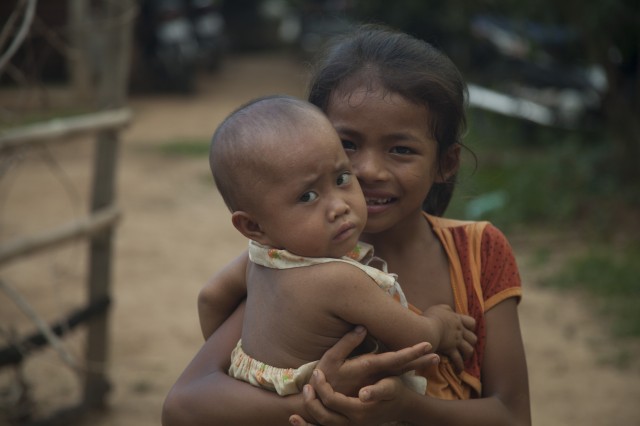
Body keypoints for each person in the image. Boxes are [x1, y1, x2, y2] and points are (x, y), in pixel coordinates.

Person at [163, 24, 530, 426]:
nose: (368, 171)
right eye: (348, 145)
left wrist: (407, 408)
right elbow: (185, 405)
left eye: (401, 149)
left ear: (445, 163)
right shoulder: (294, 262)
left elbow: (513, 415)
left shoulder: (478, 254)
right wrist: (311, 403)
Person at [207, 94, 476, 398]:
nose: (339, 206)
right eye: (307, 197)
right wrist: (440, 324)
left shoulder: (258, 257)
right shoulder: (340, 281)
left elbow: (210, 298)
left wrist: (241, 358)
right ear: (253, 226)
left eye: (342, 178)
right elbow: (415, 339)